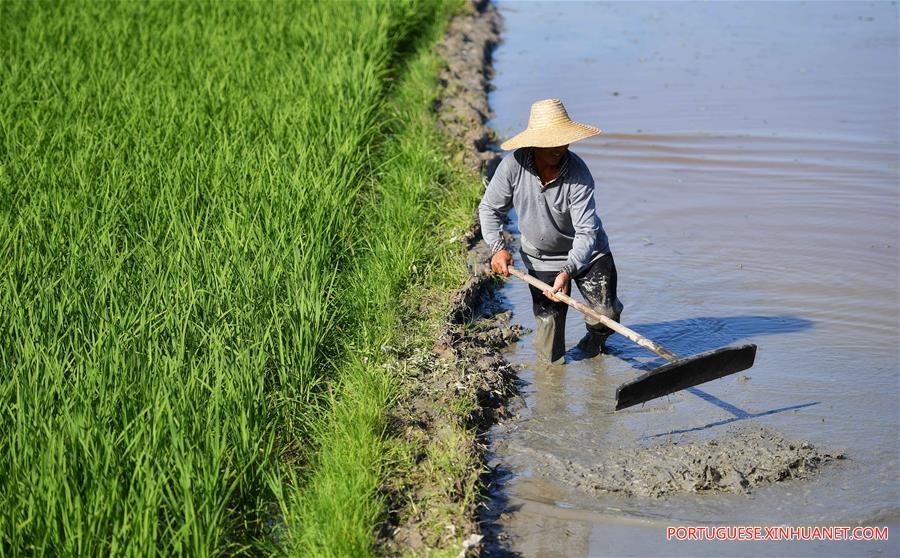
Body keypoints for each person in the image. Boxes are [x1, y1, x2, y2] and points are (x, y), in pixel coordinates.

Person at [479, 98, 623, 363]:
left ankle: (592, 345)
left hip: (588, 254)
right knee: (549, 344)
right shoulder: (513, 167)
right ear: (535, 143)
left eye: (564, 140)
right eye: (551, 143)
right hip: (541, 258)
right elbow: (489, 209)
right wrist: (497, 249)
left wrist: (567, 270)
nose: (560, 148)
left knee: (606, 313)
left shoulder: (578, 175)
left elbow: (587, 233)